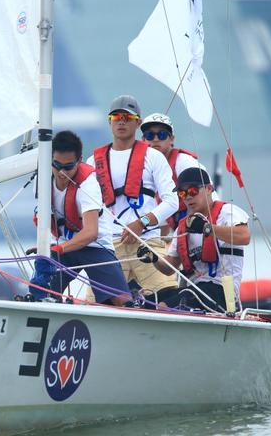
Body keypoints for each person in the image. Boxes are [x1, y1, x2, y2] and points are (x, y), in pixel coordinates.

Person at [86, 95, 179, 302]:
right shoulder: (93, 161)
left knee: (171, 298)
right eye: (116, 116)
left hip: (146, 242)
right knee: (92, 305)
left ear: (138, 122)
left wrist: (141, 223)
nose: (121, 121)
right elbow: (86, 206)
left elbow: (173, 201)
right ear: (109, 121)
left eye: (128, 117)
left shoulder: (153, 157)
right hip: (109, 245)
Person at [28, 130, 130, 305]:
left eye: (68, 167)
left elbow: (91, 232)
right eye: (56, 165)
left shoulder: (88, 184)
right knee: (40, 292)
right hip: (62, 245)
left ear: (79, 161)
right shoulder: (42, 179)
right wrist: (44, 246)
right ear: (49, 161)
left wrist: (57, 250)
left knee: (120, 301)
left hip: (94, 247)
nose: (61, 173)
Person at [138, 167, 250, 312]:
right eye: (182, 193)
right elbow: (169, 267)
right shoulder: (183, 226)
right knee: (150, 302)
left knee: (165, 306)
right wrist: (153, 258)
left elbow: (244, 236)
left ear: (209, 189)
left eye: (192, 191)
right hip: (194, 289)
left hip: (221, 290)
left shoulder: (227, 212)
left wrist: (208, 228)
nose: (188, 197)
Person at [140, 112, 217, 234]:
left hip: (199, 226)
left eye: (162, 134)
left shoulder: (184, 162)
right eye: (149, 135)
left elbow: (211, 196)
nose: (155, 139)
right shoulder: (146, 168)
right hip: (175, 228)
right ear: (143, 140)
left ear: (171, 139)